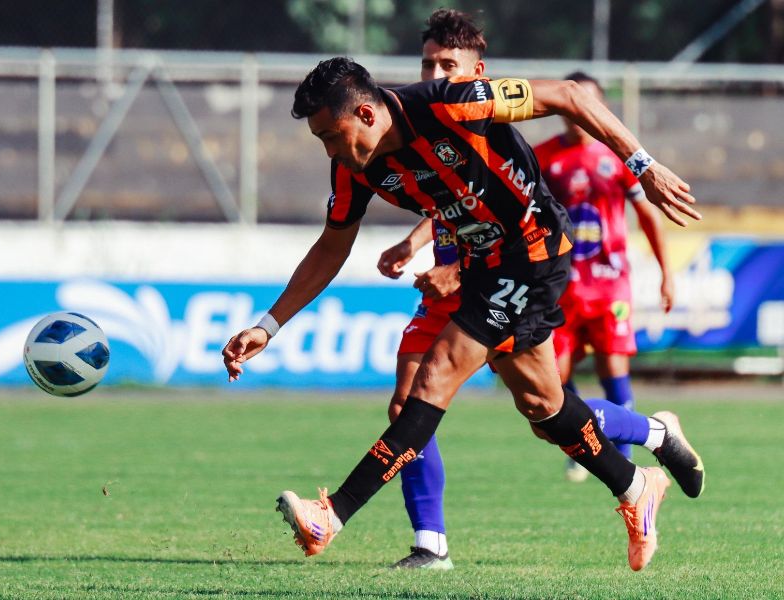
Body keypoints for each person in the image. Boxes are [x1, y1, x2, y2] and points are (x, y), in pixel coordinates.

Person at [222, 56, 702, 571]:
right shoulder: (354, 167)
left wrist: (643, 167)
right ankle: (637, 485)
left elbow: (570, 94)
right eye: (321, 141)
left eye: (331, 136)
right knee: (545, 407)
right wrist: (269, 325)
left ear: (365, 113)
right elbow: (331, 247)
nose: (330, 150)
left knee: (433, 378)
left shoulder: (452, 101)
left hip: (534, 252)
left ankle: (331, 517)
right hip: (482, 267)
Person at [375, 11, 703, 569]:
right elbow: (446, 198)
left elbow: (510, 207)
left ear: (477, 71)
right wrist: (415, 242)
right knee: (408, 400)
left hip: (507, 280)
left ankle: (649, 434)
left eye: (446, 64)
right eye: (428, 62)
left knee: (546, 409)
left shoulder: (485, 121)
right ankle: (430, 544)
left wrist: (461, 271)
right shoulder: (421, 118)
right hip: (455, 281)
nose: (433, 73)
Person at [533, 72, 676, 482]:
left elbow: (648, 215)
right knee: (553, 381)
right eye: (573, 103)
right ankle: (585, 438)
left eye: (589, 103)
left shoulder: (618, 157)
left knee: (614, 373)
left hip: (609, 284)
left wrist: (667, 273)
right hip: (559, 286)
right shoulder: (543, 158)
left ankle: (625, 461)